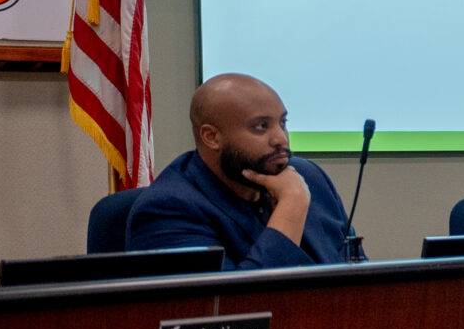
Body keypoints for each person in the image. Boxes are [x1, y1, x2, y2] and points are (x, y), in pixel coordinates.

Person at [128, 72, 353, 268]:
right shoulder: (168, 210)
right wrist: (291, 208)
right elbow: (233, 301)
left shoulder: (309, 177)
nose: (281, 139)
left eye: (282, 123)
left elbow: (356, 275)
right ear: (212, 137)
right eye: (261, 126)